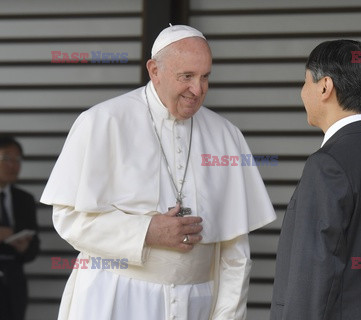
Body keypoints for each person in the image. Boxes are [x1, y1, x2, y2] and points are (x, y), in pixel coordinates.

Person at [40, 25, 276, 320]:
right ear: (154, 70)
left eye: (205, 77)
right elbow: (68, 218)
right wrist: (147, 232)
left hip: (196, 304)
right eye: (186, 76)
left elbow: (236, 254)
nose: (197, 90)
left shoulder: (226, 135)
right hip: (116, 298)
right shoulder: (104, 121)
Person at [270, 40, 361, 319]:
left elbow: (313, 271)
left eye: (306, 81)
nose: (302, 91)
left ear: (325, 87)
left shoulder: (327, 164)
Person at [0, 135, 40, 320]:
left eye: (17, 160)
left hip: (13, 282)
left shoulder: (24, 199)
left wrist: (24, 247)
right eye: (7, 158)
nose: (13, 165)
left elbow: (34, 248)